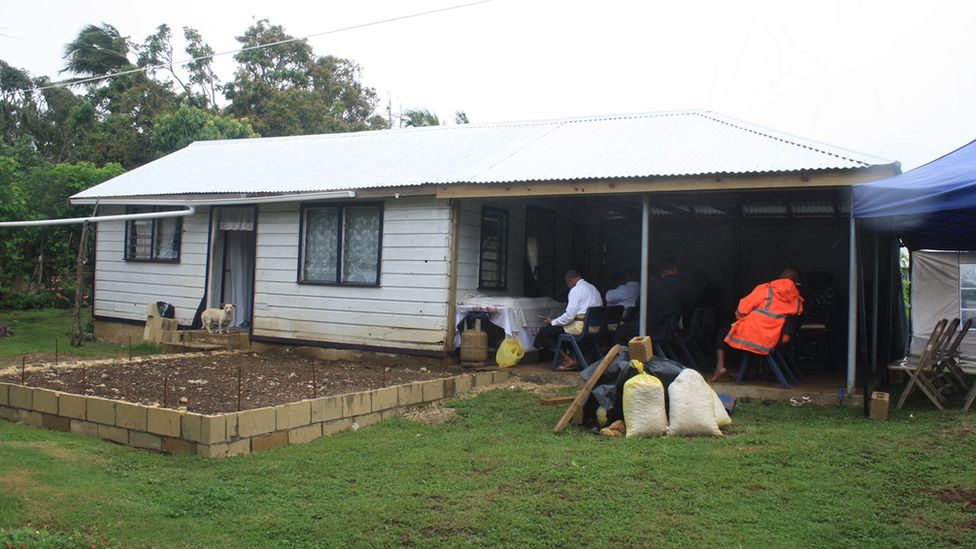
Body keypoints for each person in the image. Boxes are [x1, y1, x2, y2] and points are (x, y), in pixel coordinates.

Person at [710, 267, 804, 381]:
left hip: (754, 335)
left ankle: (720, 366)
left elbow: (742, 310)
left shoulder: (766, 289)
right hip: (775, 340)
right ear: (796, 282)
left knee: (724, 333)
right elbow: (794, 319)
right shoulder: (797, 299)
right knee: (741, 340)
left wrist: (740, 321)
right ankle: (738, 370)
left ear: (779, 278)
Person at [534, 269, 603, 371]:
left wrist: (552, 322)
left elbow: (570, 316)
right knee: (558, 329)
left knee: (544, 332)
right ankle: (573, 358)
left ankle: (567, 360)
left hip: (580, 327)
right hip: (595, 327)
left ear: (570, 281)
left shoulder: (576, 290)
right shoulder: (593, 288)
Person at [645, 259, 694, 339]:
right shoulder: (683, 285)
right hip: (677, 326)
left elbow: (640, 305)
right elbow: (689, 305)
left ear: (661, 270)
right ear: (675, 269)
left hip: (655, 327)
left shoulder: (653, 285)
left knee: (621, 331)